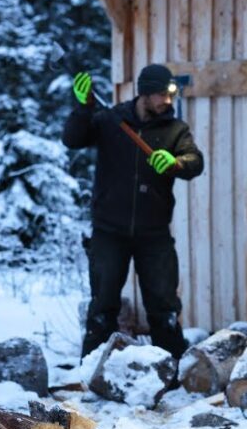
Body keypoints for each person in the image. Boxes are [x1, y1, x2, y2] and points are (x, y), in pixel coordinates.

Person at [63, 64, 204, 360]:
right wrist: (81, 107)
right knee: (102, 308)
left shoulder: (175, 130)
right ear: (145, 93)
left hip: (154, 234)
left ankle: (173, 372)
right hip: (108, 231)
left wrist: (176, 162)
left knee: (164, 309)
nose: (168, 101)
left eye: (171, 95)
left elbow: (195, 161)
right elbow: (73, 139)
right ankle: (91, 371)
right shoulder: (110, 121)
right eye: (162, 95)